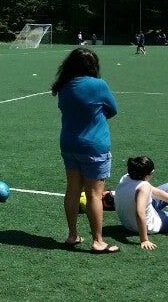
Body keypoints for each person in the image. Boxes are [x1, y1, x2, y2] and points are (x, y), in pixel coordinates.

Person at [51, 47, 120, 254]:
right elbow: (113, 110)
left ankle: (72, 235)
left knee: (72, 190)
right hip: (94, 144)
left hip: (69, 143)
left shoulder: (63, 86)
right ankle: (98, 241)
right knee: (94, 195)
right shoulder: (98, 85)